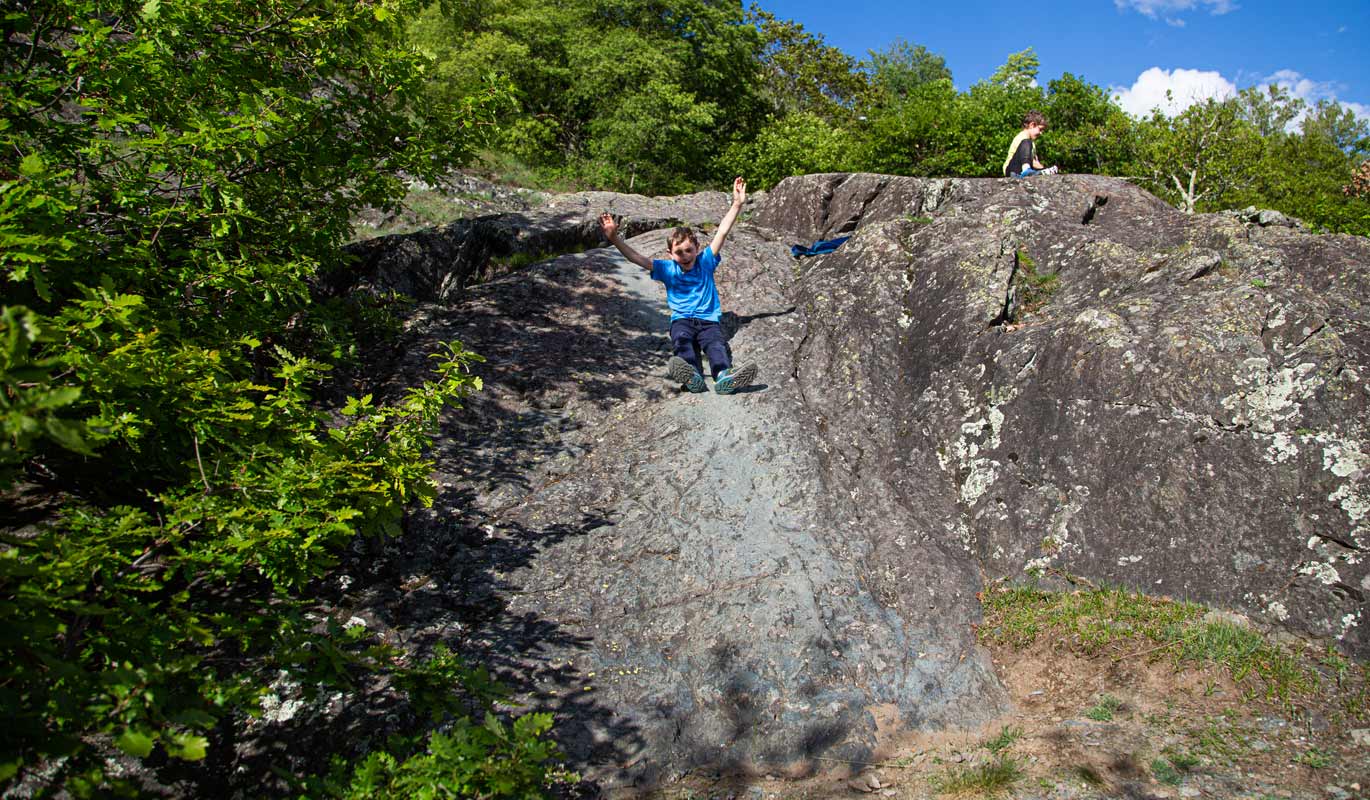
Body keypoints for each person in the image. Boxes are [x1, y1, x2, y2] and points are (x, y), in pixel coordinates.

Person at [599, 177, 758, 395]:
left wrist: (737, 204)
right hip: (681, 320)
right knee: (682, 343)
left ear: (697, 248)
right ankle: (692, 376)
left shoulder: (705, 261)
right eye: (679, 252)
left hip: (708, 320)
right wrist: (614, 238)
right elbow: (636, 258)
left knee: (715, 345)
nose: (685, 255)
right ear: (670, 254)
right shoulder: (667, 269)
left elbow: (721, 232)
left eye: (689, 250)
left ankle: (723, 377)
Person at [1002, 110, 1059, 178]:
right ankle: (1026, 169)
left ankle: (1032, 172)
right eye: (1040, 129)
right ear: (1032, 125)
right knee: (1026, 142)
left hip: (1019, 171)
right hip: (1012, 170)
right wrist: (1043, 168)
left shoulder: (1031, 143)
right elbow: (1032, 161)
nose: (1041, 133)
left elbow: (1034, 160)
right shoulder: (1023, 138)